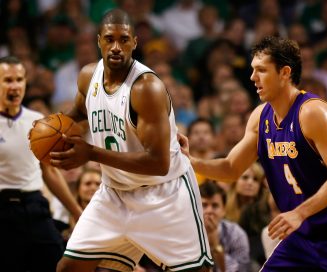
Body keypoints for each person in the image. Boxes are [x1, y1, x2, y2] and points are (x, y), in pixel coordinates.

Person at [179, 36, 327, 271]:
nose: (252, 78)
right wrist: (191, 162)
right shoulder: (260, 118)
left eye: (261, 70)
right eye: (252, 70)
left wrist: (298, 213)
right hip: (305, 235)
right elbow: (231, 168)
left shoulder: (312, 113)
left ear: (284, 73)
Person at [47, 9, 213, 272]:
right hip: (113, 193)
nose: (116, 47)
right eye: (109, 39)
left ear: (135, 42)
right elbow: (79, 113)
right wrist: (53, 131)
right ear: (98, 40)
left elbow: (158, 163)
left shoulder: (146, 87)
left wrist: (91, 153)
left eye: (124, 40)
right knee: (67, 268)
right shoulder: (89, 76)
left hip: (163, 194)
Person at [0, 55, 82, 271]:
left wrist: (77, 212)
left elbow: (50, 172)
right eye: (8, 80)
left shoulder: (37, 121)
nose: (15, 86)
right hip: (3, 208)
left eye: (19, 79)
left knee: (59, 265)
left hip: (36, 205)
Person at [199, 180, 250, 272]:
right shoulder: (186, 232)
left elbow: (240, 270)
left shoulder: (237, 234)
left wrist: (215, 245)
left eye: (215, 206)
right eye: (204, 205)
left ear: (224, 210)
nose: (209, 211)